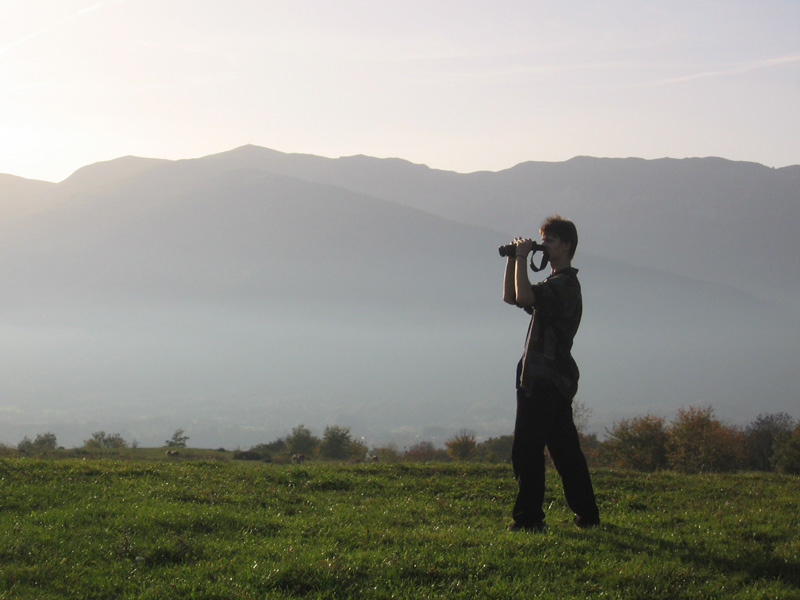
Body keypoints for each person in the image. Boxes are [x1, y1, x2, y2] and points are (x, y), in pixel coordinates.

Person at [502, 215, 599, 532]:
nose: (543, 246)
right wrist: (513, 261)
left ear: (566, 245)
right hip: (547, 377)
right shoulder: (557, 283)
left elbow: (527, 296)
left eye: (549, 241)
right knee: (565, 451)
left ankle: (529, 519)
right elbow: (514, 297)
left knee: (527, 450)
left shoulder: (565, 285)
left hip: (544, 378)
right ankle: (588, 515)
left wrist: (520, 257)